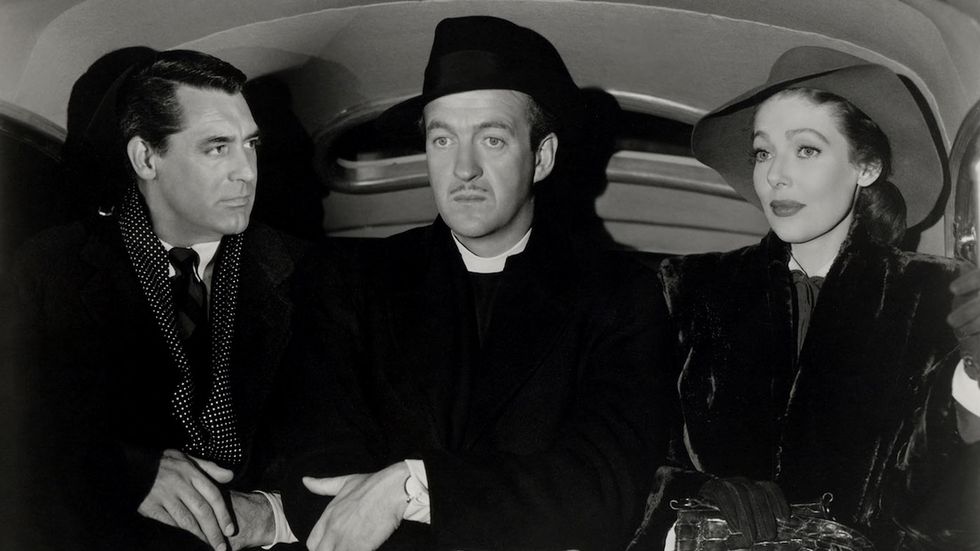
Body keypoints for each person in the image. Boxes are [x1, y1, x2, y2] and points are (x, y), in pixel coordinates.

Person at [273, 15, 673, 551]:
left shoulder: (620, 296)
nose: (463, 168)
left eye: (492, 139)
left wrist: (410, 487)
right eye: (442, 139)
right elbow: (315, 470)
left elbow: (603, 490)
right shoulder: (347, 279)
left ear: (542, 157)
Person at [626, 46, 980, 550]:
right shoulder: (688, 288)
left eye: (806, 150)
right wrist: (693, 492)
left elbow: (948, 494)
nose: (776, 175)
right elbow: (630, 455)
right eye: (763, 153)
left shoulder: (936, 295)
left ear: (866, 167)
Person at [1, 49, 314, 551]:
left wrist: (272, 514)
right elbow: (22, 433)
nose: (247, 172)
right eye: (217, 147)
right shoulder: (48, 272)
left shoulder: (308, 272)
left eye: (250, 144)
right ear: (146, 158)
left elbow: (353, 433)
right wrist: (128, 470)